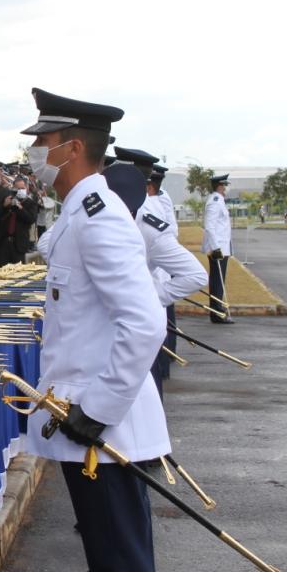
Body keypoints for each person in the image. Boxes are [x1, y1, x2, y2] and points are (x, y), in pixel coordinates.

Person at [21, 87, 167, 572]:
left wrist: (98, 409)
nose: (35, 152)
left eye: (44, 141)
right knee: (109, 558)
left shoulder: (98, 218)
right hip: (87, 425)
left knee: (119, 562)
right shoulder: (78, 212)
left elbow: (145, 322)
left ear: (74, 148)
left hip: (100, 429)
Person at [104, 162, 207, 396]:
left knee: (145, 393)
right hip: (106, 326)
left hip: (138, 327)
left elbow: (195, 275)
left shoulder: (148, 226)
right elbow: (47, 244)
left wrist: (149, 297)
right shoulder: (96, 216)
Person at [202, 174, 234, 324]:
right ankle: (216, 313)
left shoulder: (219, 200)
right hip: (217, 248)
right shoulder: (215, 201)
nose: (225, 188)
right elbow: (209, 226)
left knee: (219, 281)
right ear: (219, 186)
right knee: (217, 281)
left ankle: (218, 310)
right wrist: (215, 248)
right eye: (224, 186)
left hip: (221, 247)